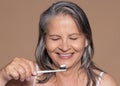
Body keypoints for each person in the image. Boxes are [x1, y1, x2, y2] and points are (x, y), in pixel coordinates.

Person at [0, 1, 117, 86]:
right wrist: (2, 77)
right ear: (44, 41)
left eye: (73, 38)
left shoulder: (104, 83)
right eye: (55, 38)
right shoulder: (28, 79)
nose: (64, 47)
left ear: (86, 40)